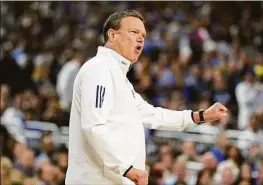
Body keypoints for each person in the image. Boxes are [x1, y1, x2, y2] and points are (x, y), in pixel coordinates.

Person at [65, 10, 228, 185]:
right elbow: (93, 127)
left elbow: (153, 115)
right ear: (112, 35)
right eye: (134, 32)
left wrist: (200, 116)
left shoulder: (121, 80)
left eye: (143, 35)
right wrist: (126, 169)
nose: (141, 38)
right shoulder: (99, 69)